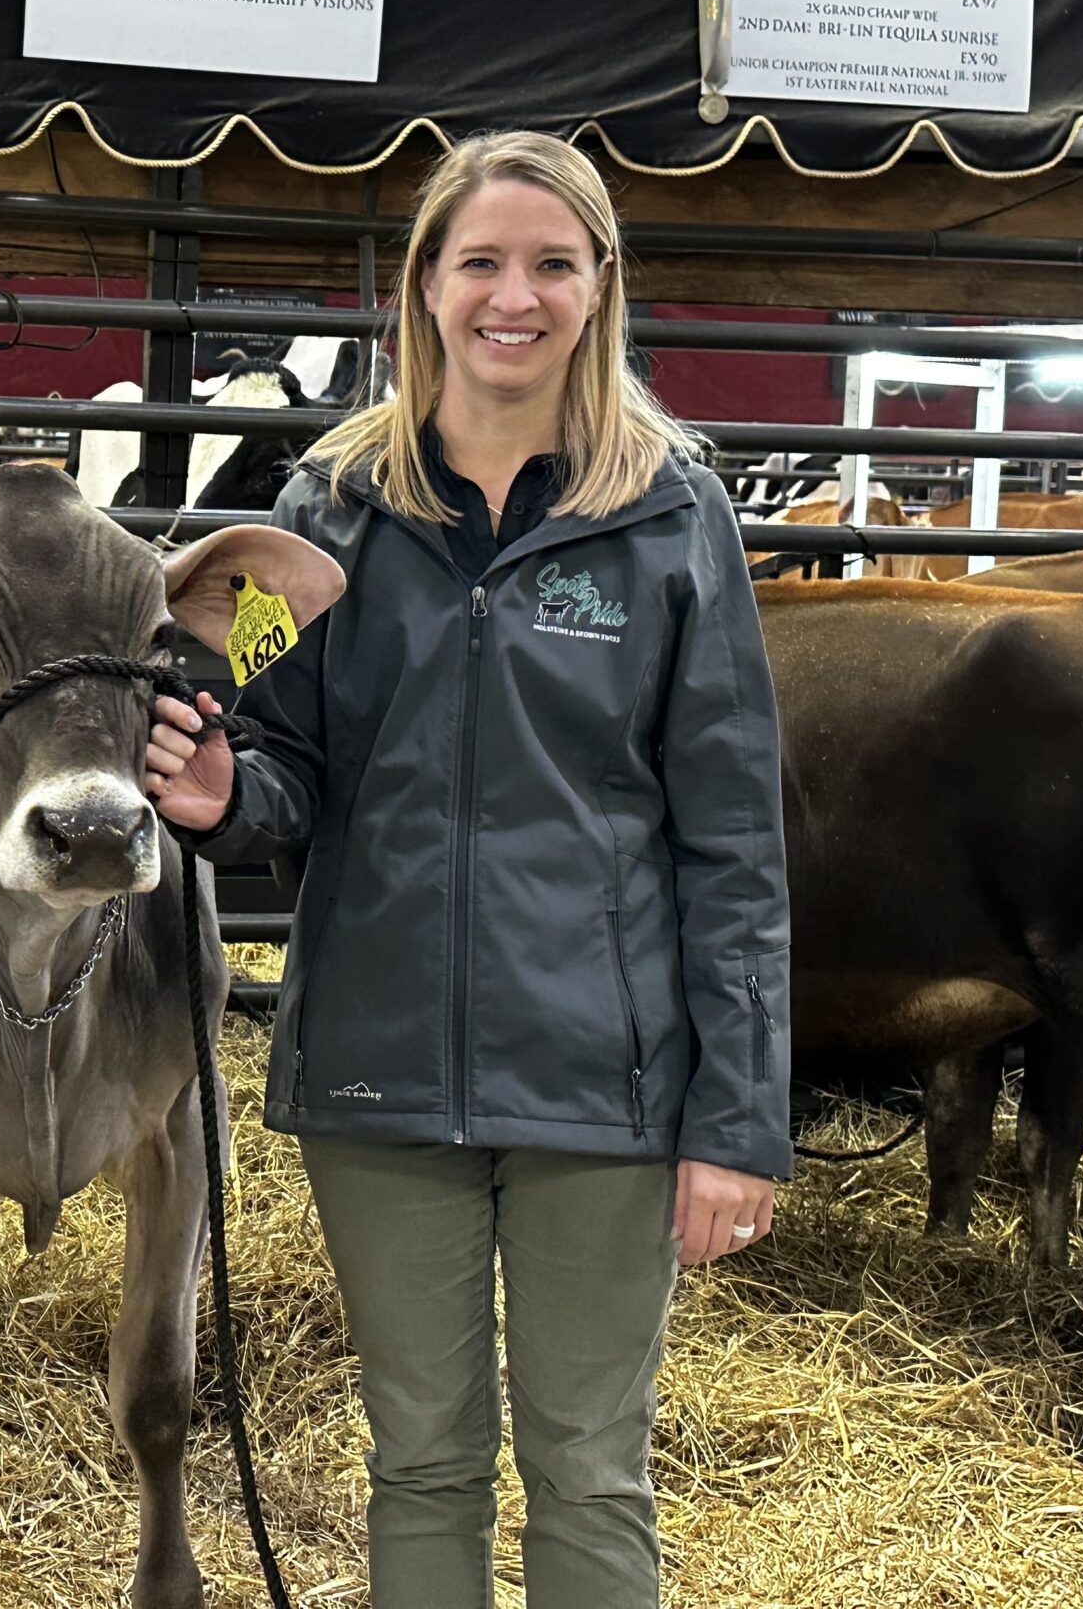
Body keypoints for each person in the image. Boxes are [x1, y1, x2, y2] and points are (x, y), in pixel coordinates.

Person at [143, 131, 790, 1609]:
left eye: (552, 264)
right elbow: (283, 774)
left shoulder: (671, 517)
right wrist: (219, 787)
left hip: (604, 1089)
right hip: (382, 1073)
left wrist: (738, 1118)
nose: (517, 296)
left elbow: (735, 842)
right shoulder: (325, 513)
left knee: (589, 1461)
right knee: (419, 1460)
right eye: (481, 262)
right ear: (425, 284)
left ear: (601, 284)